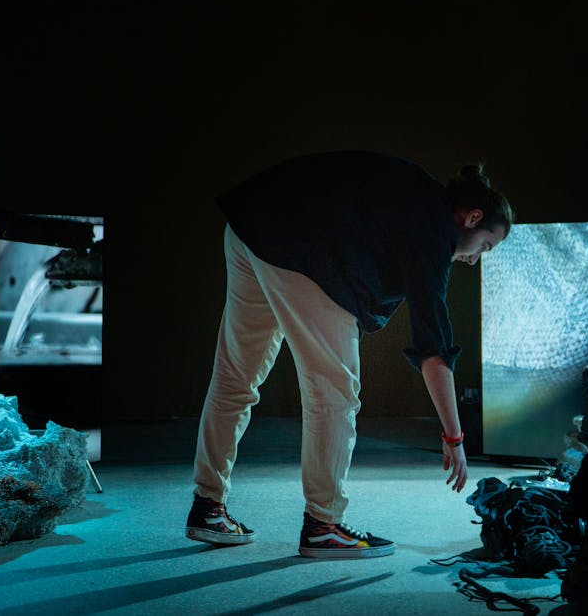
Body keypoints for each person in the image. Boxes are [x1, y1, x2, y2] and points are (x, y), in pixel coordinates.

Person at [186, 150, 514, 559]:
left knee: (235, 378)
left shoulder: (416, 191)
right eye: (485, 246)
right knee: (334, 393)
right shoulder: (433, 229)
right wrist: (454, 436)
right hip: (298, 250)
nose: (474, 258)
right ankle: (324, 525)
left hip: (250, 226)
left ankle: (207, 507)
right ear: (473, 218)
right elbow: (433, 346)